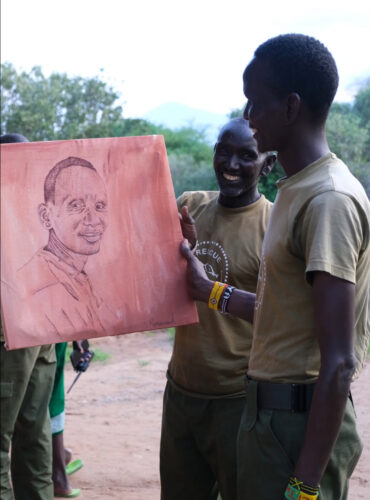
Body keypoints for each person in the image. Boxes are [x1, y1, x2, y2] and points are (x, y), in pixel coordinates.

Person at [180, 34, 370, 500]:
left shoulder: (327, 200)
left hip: (297, 426)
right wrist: (211, 291)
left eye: (254, 104)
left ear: (290, 107)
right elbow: (284, 310)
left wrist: (305, 488)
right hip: (268, 418)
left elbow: (340, 362)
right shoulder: (297, 190)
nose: (247, 118)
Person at [160, 118, 276, 500]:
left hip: (237, 401)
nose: (231, 163)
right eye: (223, 151)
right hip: (180, 391)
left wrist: (211, 291)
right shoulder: (190, 206)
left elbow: (282, 314)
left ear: (268, 165)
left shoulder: (274, 225)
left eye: (247, 155)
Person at [0, 133, 56, 500]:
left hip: (14, 336)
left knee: (10, 437)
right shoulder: (42, 207)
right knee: (34, 434)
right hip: (44, 330)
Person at [16, 156, 110, 339]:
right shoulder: (39, 290)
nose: (93, 219)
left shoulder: (75, 276)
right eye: (76, 205)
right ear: (46, 216)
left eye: (99, 206)